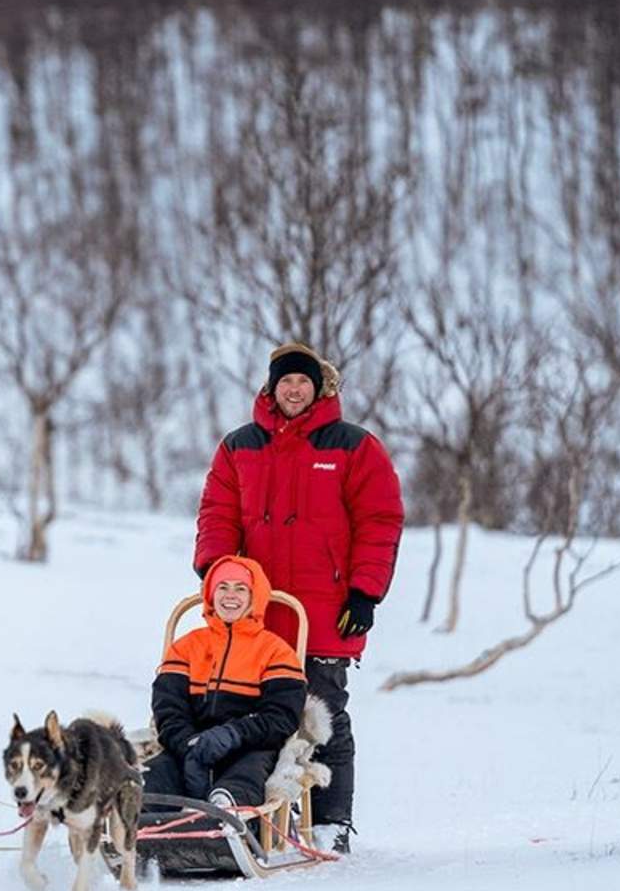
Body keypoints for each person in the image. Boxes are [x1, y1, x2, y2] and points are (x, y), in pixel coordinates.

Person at [192, 341, 404, 854]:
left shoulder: (353, 446)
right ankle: (259, 818)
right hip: (255, 612)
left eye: (302, 382)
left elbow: (380, 520)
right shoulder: (239, 446)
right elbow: (217, 512)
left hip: (328, 611)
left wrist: (364, 592)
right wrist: (215, 569)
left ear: (318, 387)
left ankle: (331, 821)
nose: (293, 389)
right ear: (271, 387)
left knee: (322, 713)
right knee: (252, 718)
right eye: (285, 381)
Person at [145, 555, 306, 812]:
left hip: (250, 749)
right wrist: (187, 743)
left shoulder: (275, 651)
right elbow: (168, 707)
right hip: (189, 746)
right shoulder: (186, 647)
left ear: (254, 596)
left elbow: (282, 717)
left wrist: (233, 734)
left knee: (246, 776)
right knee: (154, 775)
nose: (231, 595)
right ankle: (146, 825)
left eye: (241, 588)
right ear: (211, 593)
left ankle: (225, 813)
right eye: (223, 587)